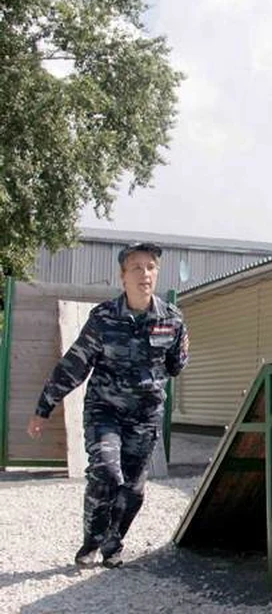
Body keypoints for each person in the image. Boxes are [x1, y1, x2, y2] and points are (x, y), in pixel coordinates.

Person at [26, 242, 189, 568]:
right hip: (106, 411)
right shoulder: (102, 318)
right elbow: (74, 365)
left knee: (134, 490)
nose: (145, 274)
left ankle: (114, 542)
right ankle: (92, 540)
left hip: (145, 417)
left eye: (150, 267)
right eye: (136, 268)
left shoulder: (172, 320)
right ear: (123, 277)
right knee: (106, 472)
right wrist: (44, 408)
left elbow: (176, 365)